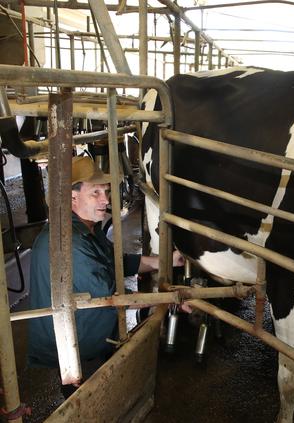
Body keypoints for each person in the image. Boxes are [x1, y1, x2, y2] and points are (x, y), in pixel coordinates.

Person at [28, 156, 183, 397]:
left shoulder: (85, 228)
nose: (106, 200)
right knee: (92, 402)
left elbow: (117, 263)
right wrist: (169, 297)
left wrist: (166, 261)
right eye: (96, 193)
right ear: (72, 197)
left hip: (86, 331)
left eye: (106, 191)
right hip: (78, 346)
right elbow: (114, 297)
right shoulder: (69, 242)